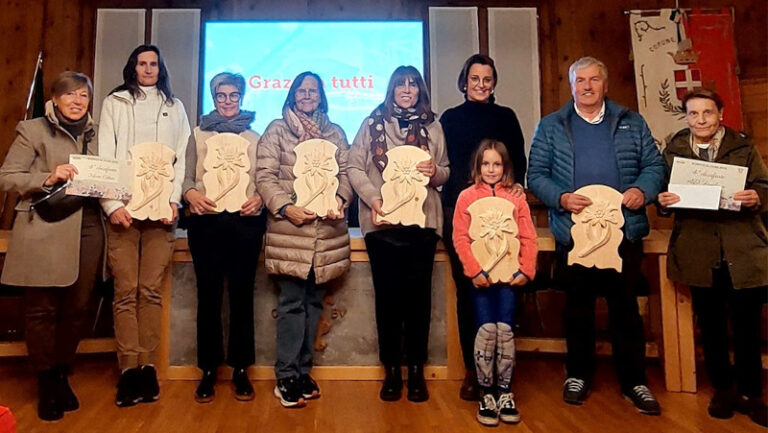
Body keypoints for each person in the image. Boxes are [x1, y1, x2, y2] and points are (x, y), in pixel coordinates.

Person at [527, 56, 665, 415]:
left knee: (626, 310)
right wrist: (561, 197)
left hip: (624, 233)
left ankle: (634, 381)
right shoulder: (552, 126)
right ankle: (577, 374)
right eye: (580, 80)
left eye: (594, 80)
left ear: (605, 84)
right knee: (577, 309)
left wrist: (642, 190)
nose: (587, 86)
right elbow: (536, 174)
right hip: (574, 234)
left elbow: (655, 165)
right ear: (571, 86)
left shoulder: (632, 122)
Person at [657, 89, 768, 427]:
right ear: (686, 117)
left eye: (707, 112)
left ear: (720, 114)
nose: (701, 119)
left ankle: (752, 394)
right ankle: (723, 390)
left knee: (747, 327)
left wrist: (756, 196)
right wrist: (663, 201)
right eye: (693, 113)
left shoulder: (743, 147)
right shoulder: (674, 150)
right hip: (698, 250)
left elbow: (764, 185)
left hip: (741, 248)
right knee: (711, 325)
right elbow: (661, 193)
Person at [0, 72, 105, 421]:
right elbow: (7, 177)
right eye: (70, 94)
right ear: (55, 99)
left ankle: (62, 372)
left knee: (78, 308)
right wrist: (48, 176)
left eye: (84, 96)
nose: (77, 101)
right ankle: (45, 379)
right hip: (44, 226)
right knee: (41, 309)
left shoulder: (97, 132)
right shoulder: (32, 130)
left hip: (88, 225)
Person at [348, 66, 449, 403]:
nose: (407, 90)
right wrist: (373, 198)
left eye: (413, 84)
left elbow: (446, 171)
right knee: (388, 300)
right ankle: (391, 370)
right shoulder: (371, 124)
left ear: (420, 90)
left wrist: (435, 171)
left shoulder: (433, 126)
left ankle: (416, 370)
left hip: (422, 224)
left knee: (419, 301)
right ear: (391, 89)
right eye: (400, 84)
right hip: (382, 225)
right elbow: (353, 166)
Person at [99, 44, 191, 407]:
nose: (148, 69)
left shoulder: (175, 106)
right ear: (133, 68)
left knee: (150, 291)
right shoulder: (115, 103)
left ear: (161, 68)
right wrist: (111, 205)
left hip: (161, 213)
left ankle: (148, 366)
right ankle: (128, 370)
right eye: (142, 63)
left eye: (154, 64)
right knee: (126, 290)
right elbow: (106, 155)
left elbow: (181, 159)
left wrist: (174, 200)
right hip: (124, 211)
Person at [256, 71, 352, 408]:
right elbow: (264, 176)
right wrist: (286, 207)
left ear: (321, 96)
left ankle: (303, 371)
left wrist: (340, 199)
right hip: (290, 231)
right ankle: (285, 376)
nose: (307, 95)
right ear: (292, 94)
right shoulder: (276, 131)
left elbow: (346, 174)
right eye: (301, 90)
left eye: (313, 91)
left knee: (313, 303)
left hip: (326, 234)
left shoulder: (336, 133)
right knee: (292, 303)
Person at [439, 54, 527, 400]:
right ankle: (473, 371)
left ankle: (502, 372)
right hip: (460, 213)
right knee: (469, 290)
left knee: (503, 288)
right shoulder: (449, 119)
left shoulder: (506, 117)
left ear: (494, 83)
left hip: (502, 216)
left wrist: (516, 186)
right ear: (464, 82)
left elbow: (518, 162)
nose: (480, 85)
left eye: (486, 79)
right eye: (474, 79)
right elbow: (443, 165)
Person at [182, 72, 266, 403]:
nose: (227, 101)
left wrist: (260, 197)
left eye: (233, 95)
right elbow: (185, 177)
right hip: (206, 222)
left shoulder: (256, 137)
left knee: (242, 295)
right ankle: (208, 369)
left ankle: (241, 369)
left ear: (241, 98)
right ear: (213, 97)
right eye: (221, 95)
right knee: (209, 295)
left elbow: (265, 178)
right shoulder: (198, 134)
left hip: (245, 223)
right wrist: (190, 193)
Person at [452, 139, 537, 426]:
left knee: (505, 331)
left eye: (496, 164)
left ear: (505, 167)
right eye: (486, 164)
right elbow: (460, 237)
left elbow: (528, 236)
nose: (491, 169)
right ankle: (486, 393)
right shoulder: (466, 197)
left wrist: (526, 269)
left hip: (510, 279)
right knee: (486, 331)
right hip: (482, 280)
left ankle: (505, 392)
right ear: (477, 167)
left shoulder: (516, 198)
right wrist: (474, 270)